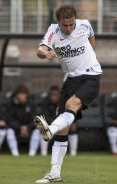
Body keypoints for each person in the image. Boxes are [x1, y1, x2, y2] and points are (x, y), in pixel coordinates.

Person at [34, 5, 102, 183]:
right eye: (65, 25)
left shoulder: (85, 25)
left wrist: (90, 58)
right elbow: (39, 50)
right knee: (62, 125)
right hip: (71, 79)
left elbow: (92, 38)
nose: (69, 28)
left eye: (71, 24)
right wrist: (46, 53)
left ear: (75, 20)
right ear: (59, 22)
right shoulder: (53, 31)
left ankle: (50, 129)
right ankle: (54, 174)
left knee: (70, 106)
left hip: (91, 75)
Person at [5, 84, 34, 156]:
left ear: (26, 95)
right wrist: (19, 128)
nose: (21, 96)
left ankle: (32, 153)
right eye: (19, 94)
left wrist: (27, 128)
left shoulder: (31, 104)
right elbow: (9, 119)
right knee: (9, 131)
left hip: (29, 129)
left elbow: (35, 119)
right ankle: (15, 153)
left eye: (23, 94)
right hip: (16, 129)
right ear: (16, 95)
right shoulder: (11, 104)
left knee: (38, 131)